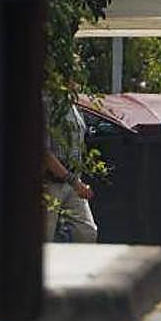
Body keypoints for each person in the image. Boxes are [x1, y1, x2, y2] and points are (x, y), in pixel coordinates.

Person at [43, 101, 98, 243]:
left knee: (87, 233)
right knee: (45, 237)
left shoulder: (73, 105)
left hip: (73, 180)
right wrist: (74, 181)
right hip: (50, 182)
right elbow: (43, 152)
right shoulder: (48, 103)